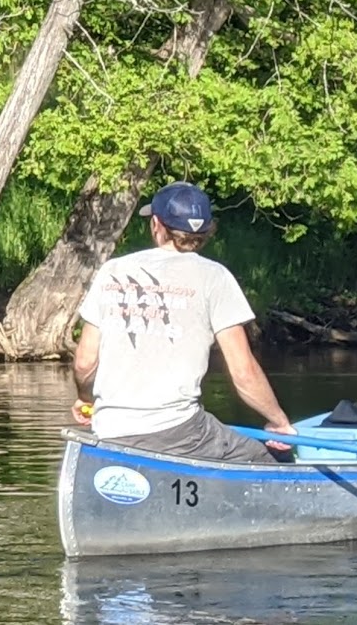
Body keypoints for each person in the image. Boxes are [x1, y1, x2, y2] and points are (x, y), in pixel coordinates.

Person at [71, 181, 295, 463]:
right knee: (273, 457)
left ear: (156, 224)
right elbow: (243, 372)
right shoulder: (215, 277)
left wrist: (85, 399)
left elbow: (84, 362)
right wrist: (279, 422)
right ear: (205, 231)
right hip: (179, 432)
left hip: (110, 429)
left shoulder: (113, 271)